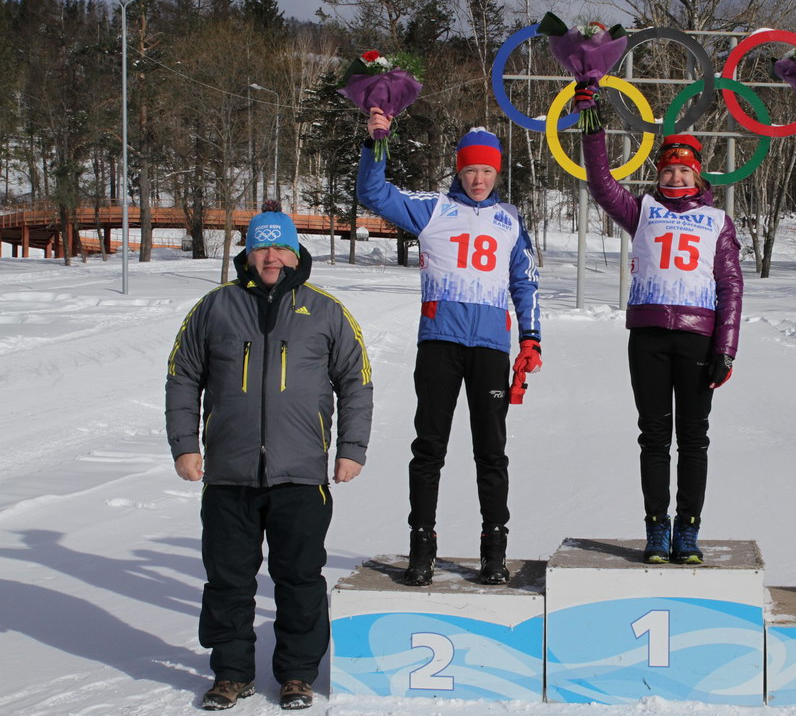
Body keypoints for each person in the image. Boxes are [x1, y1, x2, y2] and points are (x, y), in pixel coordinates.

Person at [165, 202, 374, 710]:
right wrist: (185, 446)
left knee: (299, 579)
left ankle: (298, 674)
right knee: (228, 580)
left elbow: (357, 382)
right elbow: (182, 377)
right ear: (248, 252)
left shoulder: (325, 310)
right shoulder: (215, 307)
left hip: (301, 474)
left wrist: (351, 449)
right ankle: (231, 672)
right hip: (228, 474)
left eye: (281, 245)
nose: (272, 256)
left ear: (296, 250)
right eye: (262, 246)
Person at [357, 111, 542, 587]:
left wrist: (531, 338)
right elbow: (375, 194)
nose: (478, 179)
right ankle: (422, 548)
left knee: (492, 452)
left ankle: (494, 550)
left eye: (486, 171)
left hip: (489, 349)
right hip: (440, 343)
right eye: (469, 170)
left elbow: (525, 282)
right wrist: (378, 141)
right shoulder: (434, 208)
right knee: (429, 448)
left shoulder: (510, 220)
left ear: (497, 173)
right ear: (458, 171)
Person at [579, 118, 744, 565]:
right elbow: (600, 182)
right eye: (669, 170)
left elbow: (730, 285)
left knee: (693, 438)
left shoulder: (716, 221)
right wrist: (594, 129)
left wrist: (725, 348)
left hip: (697, 338)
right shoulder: (642, 210)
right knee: (653, 436)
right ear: (659, 175)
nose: (676, 177)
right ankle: (656, 527)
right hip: (648, 336)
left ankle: (688, 530)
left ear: (699, 174)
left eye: (685, 170)